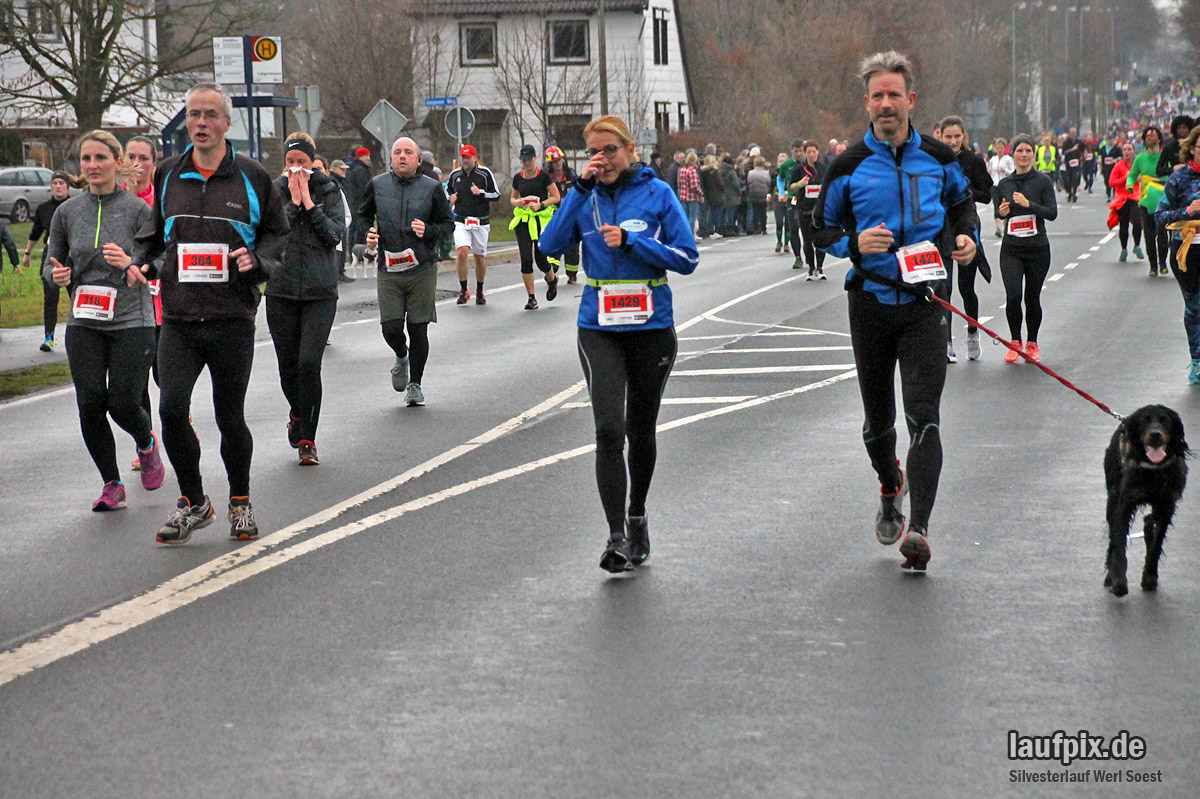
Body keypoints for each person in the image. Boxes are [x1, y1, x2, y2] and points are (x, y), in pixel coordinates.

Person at [811, 51, 976, 572]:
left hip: (927, 301)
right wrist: (855, 245)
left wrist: (968, 235)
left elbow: (961, 203)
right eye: (877, 96)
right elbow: (819, 228)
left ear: (911, 100)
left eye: (894, 94)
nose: (886, 104)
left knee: (924, 418)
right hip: (871, 303)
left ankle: (920, 529)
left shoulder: (938, 156)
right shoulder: (848, 165)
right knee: (879, 423)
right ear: (867, 102)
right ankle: (890, 482)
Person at [129, 81, 290, 545]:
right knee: (172, 409)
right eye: (193, 114)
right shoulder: (168, 174)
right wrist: (143, 260)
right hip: (178, 316)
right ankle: (195, 502)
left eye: (209, 115)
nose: (200, 122)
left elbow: (278, 237)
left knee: (228, 416)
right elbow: (155, 233)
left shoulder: (253, 177)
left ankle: (240, 501)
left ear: (226, 122)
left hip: (231, 316)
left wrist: (256, 263)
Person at [538, 114, 698, 573]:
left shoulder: (657, 193)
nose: (602, 159)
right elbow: (550, 244)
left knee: (640, 431)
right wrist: (577, 192)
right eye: (594, 152)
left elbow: (687, 259)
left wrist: (633, 242)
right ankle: (615, 536)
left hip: (651, 327)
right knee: (609, 429)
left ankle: (637, 514)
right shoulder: (583, 195)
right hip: (599, 326)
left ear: (629, 150)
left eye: (610, 150)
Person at [43, 131, 163, 511]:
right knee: (90, 401)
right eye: (86, 159)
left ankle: (146, 443)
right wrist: (56, 275)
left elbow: (159, 259)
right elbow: (53, 263)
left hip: (131, 318)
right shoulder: (67, 212)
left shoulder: (138, 211)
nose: (92, 166)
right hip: (85, 319)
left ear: (116, 161)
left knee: (124, 402)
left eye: (100, 158)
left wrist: (133, 265)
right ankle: (111, 483)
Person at [266, 132, 345, 466]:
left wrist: (310, 205)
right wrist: (293, 205)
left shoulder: (330, 190)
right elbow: (269, 235)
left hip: (319, 292)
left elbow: (333, 236)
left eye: (302, 162)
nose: (296, 169)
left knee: (309, 363)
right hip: (281, 289)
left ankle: (308, 440)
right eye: (290, 163)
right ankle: (297, 413)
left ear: (313, 162)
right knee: (287, 366)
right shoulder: (274, 190)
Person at [360, 136, 454, 407]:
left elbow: (448, 223)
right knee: (390, 328)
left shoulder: (432, 187)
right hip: (389, 266)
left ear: (418, 160)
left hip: (421, 267)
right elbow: (362, 216)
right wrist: (368, 235)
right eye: (397, 152)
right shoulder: (377, 185)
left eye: (408, 152)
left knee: (418, 328)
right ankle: (402, 356)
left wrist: (430, 232)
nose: (402, 156)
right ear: (391, 159)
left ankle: (416, 385)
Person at [994, 135, 1057, 364]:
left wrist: (1029, 204)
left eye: (1028, 150)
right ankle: (1014, 342)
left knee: (1032, 297)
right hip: (1011, 249)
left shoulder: (1043, 182)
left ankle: (1032, 343)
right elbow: (999, 213)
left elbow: (1052, 213)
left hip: (1037, 249)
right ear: (1013, 154)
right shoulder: (1005, 184)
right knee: (1013, 296)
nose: (1023, 154)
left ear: (1033, 154)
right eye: (1019, 150)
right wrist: (1002, 212)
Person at [123, 136, 163, 473]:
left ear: (154, 162)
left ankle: (181, 420)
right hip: (129, 309)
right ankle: (145, 441)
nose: (137, 164)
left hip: (163, 304)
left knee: (165, 377)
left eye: (144, 158)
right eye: (131, 157)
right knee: (135, 385)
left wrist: (149, 268)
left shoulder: (160, 199)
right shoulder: (116, 203)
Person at [938, 116, 993, 363]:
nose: (952, 141)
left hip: (967, 224)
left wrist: (966, 189)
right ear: (939, 136)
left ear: (964, 137)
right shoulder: (933, 160)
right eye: (948, 137)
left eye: (957, 136)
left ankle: (972, 333)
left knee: (966, 287)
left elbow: (987, 195)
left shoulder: (972, 160)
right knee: (944, 287)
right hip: (941, 227)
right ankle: (947, 341)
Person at [1154, 125, 1200, 385]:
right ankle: (1197, 361)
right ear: (1192, 149)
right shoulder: (1179, 179)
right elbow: (1160, 217)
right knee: (1195, 307)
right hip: (1187, 251)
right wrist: (1187, 212)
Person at [509, 144, 562, 309]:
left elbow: (556, 197)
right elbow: (512, 198)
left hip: (540, 219)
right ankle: (531, 297)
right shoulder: (518, 178)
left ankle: (552, 280)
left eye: (529, 160)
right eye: (524, 160)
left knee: (540, 258)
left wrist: (542, 205)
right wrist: (517, 202)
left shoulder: (544, 176)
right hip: (524, 220)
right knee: (526, 258)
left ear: (535, 159)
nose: (527, 163)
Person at [446, 144, 501, 304]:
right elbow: (447, 191)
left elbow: (496, 194)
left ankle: (480, 290)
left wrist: (481, 193)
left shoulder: (484, 174)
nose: (465, 160)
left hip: (480, 221)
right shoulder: (455, 174)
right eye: (463, 157)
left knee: (479, 257)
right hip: (461, 220)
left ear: (474, 158)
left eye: (468, 157)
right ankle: (463, 290)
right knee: (462, 252)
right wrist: (450, 198)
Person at [24, 172, 72, 352]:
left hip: (72, 258)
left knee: (75, 296)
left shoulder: (75, 206)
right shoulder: (44, 208)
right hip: (51, 256)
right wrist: (27, 253)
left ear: (67, 186)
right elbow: (35, 232)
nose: (58, 186)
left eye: (61, 183)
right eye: (55, 183)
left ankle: (85, 334)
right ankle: (49, 338)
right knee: (50, 299)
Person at [1127, 126, 1169, 277]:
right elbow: (1132, 175)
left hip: (1163, 201)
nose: (1149, 138)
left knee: (1162, 233)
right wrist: (1130, 185)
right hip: (1145, 201)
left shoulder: (1166, 157)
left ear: (1159, 138)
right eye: (1147, 136)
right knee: (1149, 235)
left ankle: (1163, 262)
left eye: (1152, 135)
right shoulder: (1140, 158)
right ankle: (1153, 266)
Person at [544, 146, 582, 283]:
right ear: (550, 164)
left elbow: (579, 191)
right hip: (552, 215)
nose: (558, 164)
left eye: (559, 160)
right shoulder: (546, 177)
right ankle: (552, 271)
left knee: (572, 245)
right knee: (555, 242)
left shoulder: (571, 174)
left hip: (570, 214)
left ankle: (572, 275)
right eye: (555, 162)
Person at [792, 140, 826, 279]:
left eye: (814, 151)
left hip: (820, 209)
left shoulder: (824, 169)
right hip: (804, 209)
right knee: (807, 240)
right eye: (809, 152)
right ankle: (811, 268)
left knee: (821, 239)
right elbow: (792, 186)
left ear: (818, 152)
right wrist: (801, 183)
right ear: (806, 154)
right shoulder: (799, 169)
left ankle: (820, 267)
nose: (812, 154)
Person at [1109, 141, 1143, 262]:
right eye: (1124, 150)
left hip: (1135, 197)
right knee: (1123, 225)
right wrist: (1125, 178)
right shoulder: (1118, 166)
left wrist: (1137, 177)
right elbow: (1111, 182)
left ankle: (1137, 245)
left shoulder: (1137, 165)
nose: (1126, 152)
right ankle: (1124, 249)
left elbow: (1142, 179)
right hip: (1122, 199)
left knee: (1137, 221)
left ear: (1134, 152)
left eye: (1129, 150)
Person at [987, 137, 1015, 239]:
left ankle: (1006, 225)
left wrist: (1005, 170)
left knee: (1005, 205)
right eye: (998, 148)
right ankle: (998, 228)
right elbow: (989, 171)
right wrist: (989, 172)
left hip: (1005, 185)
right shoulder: (992, 160)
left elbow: (1013, 172)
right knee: (996, 205)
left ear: (1004, 149)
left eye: (1001, 148)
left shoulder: (1008, 159)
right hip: (994, 185)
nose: (999, 150)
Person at [345, 146, 373, 246]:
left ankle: (353, 251)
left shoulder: (351, 169)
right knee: (360, 229)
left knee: (353, 229)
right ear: (361, 156)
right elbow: (365, 189)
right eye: (366, 156)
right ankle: (360, 252)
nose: (369, 158)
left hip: (353, 202)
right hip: (360, 204)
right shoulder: (361, 171)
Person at [677, 152, 704, 239]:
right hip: (692, 197)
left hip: (683, 196)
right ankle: (690, 235)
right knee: (693, 217)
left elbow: (679, 184)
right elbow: (694, 186)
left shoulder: (682, 170)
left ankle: (684, 235)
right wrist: (701, 194)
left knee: (685, 216)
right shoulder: (692, 170)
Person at [746, 156, 771, 235]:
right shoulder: (766, 173)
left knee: (755, 211)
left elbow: (748, 182)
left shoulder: (750, 173)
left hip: (753, 194)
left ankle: (756, 228)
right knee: (763, 212)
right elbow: (768, 182)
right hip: (763, 194)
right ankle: (763, 228)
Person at [1061, 126, 1084, 203]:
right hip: (1068, 163)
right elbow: (1064, 152)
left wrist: (1082, 155)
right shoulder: (1066, 142)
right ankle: (1069, 193)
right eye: (1072, 133)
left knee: (1076, 178)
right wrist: (1071, 150)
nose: (1073, 135)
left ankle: (1074, 193)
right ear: (1069, 133)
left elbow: (1083, 150)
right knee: (1068, 179)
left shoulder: (1079, 142)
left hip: (1077, 163)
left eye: (1074, 133)